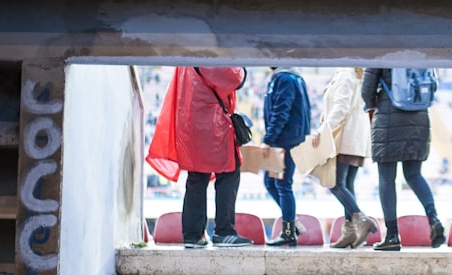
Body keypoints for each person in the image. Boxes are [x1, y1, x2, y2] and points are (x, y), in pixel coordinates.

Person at [146, 65, 252, 248]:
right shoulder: (207, 53)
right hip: (211, 125)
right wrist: (241, 67)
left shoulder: (184, 58)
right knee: (229, 173)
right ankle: (223, 231)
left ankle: (193, 235)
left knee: (196, 178)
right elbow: (233, 77)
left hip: (190, 123)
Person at [361, 67, 445, 251]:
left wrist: (373, 103)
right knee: (414, 174)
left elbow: (367, 89)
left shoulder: (382, 50)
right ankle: (434, 219)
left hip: (389, 114)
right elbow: (433, 84)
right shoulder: (420, 50)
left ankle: (392, 235)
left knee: (386, 178)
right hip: (419, 116)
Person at [315, 67, 379, 248]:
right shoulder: (357, 76)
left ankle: (361, 220)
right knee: (347, 185)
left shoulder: (345, 75)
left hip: (345, 138)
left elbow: (340, 108)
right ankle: (349, 232)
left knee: (333, 183)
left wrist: (323, 130)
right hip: (355, 139)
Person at [261, 66, 311, 247]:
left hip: (285, 139)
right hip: (287, 138)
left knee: (282, 184)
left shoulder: (285, 78)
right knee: (271, 182)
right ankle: (292, 222)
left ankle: (289, 231)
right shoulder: (290, 77)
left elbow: (281, 110)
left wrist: (269, 139)